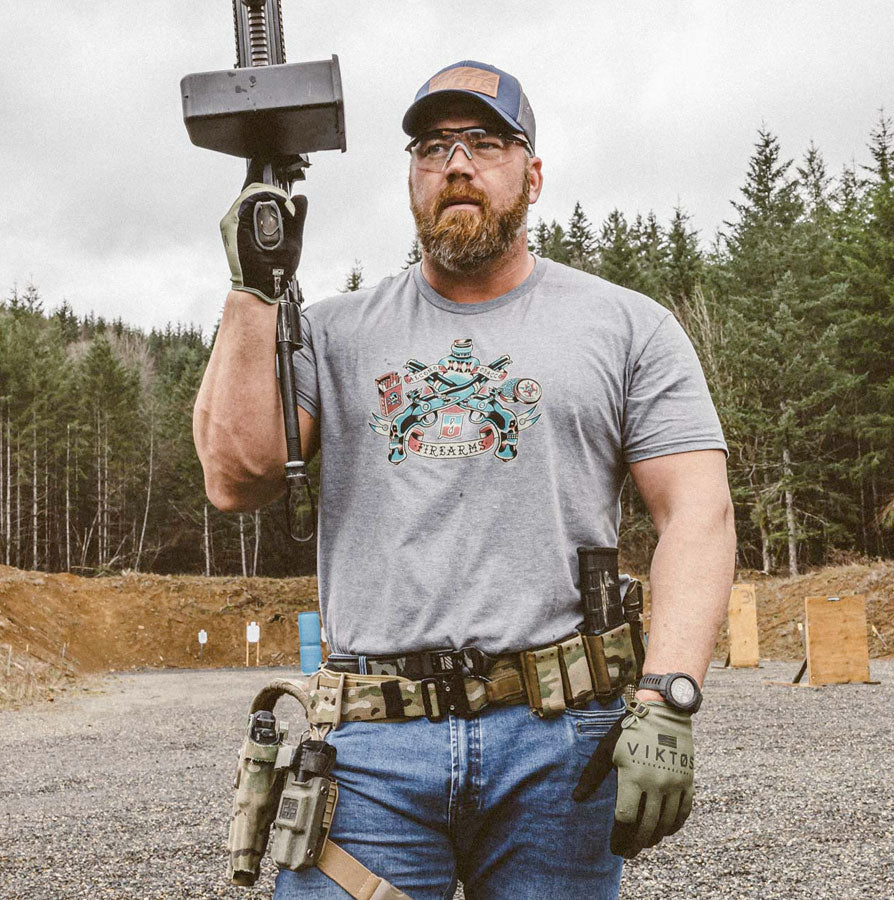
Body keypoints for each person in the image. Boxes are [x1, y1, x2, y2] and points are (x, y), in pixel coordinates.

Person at [195, 60, 736, 900]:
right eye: (432, 147)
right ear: (411, 177)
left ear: (533, 174)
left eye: (484, 142)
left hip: (559, 742)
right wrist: (253, 289)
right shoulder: (332, 334)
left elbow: (698, 511)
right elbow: (237, 477)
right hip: (370, 752)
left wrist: (668, 693)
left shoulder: (628, 327)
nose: (455, 164)